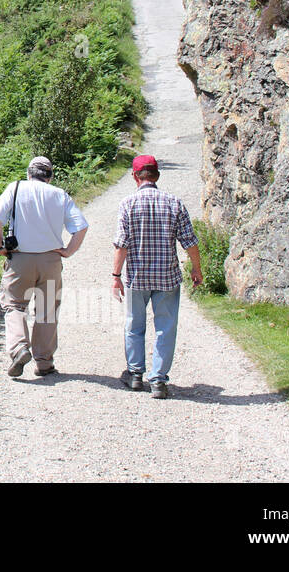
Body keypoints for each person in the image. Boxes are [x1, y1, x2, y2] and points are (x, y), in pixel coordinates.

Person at [111, 154, 202, 399]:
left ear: (134, 176)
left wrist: (116, 275)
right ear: (157, 176)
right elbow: (190, 242)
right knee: (166, 327)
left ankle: (135, 375)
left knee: (134, 325)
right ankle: (159, 381)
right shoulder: (174, 203)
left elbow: (122, 245)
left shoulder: (127, 204)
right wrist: (196, 268)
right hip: (167, 277)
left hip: (137, 277)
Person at [0, 156, 89, 378]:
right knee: (47, 310)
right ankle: (44, 363)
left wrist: (0, 248)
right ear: (50, 177)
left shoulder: (15, 188)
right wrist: (68, 251)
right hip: (50, 260)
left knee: (13, 305)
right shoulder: (59, 195)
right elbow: (80, 227)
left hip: (20, 259)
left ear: (28, 174)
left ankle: (19, 348)